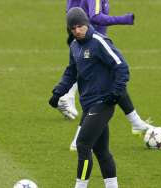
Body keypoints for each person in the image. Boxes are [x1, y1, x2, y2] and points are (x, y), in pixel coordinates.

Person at [58, 0, 154, 151]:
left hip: (85, 42)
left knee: (108, 85)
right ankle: (77, 137)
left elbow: (71, 10)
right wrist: (124, 19)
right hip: (93, 46)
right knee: (99, 92)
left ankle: (136, 123)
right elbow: (95, 17)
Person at [49, 7, 128, 188]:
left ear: (87, 23)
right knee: (101, 151)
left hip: (103, 103)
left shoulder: (99, 41)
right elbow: (71, 72)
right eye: (72, 28)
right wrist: (57, 92)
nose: (77, 30)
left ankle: (80, 186)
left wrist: (115, 93)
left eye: (80, 26)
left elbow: (121, 66)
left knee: (83, 144)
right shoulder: (75, 46)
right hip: (89, 105)